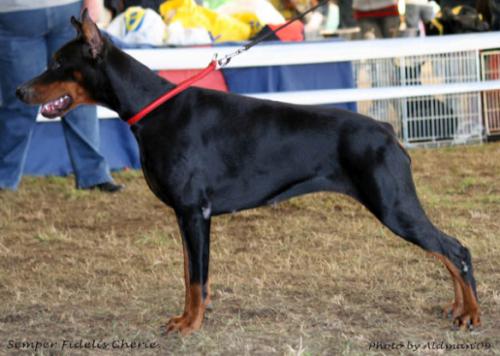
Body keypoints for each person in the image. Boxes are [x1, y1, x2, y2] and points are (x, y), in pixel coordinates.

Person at [0, 0, 123, 192]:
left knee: (78, 96)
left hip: (45, 12)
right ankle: (4, 179)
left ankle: (94, 176)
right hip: (18, 15)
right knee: (21, 101)